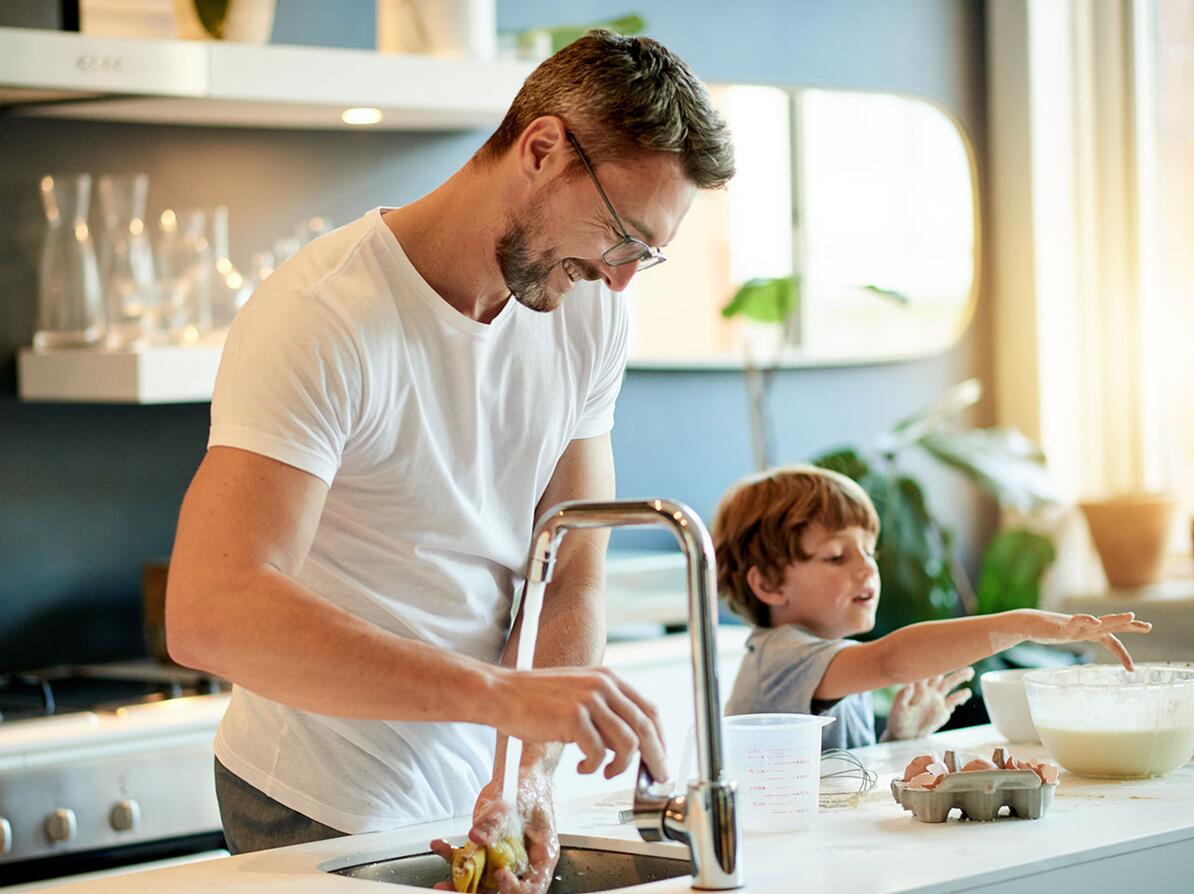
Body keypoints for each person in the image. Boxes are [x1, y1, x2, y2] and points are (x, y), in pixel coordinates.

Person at [164, 29, 734, 894]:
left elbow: (571, 568)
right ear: (541, 149)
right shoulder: (325, 315)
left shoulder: (586, 309)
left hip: (476, 777)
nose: (621, 281)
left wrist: (527, 770)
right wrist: (500, 700)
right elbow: (211, 610)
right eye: (622, 236)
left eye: (645, 255)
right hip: (318, 788)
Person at [713, 465, 1152, 749]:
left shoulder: (834, 663)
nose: (866, 568)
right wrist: (1024, 623)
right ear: (769, 584)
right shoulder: (779, 657)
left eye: (869, 551)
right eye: (835, 556)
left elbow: (839, 778)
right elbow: (889, 661)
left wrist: (896, 738)